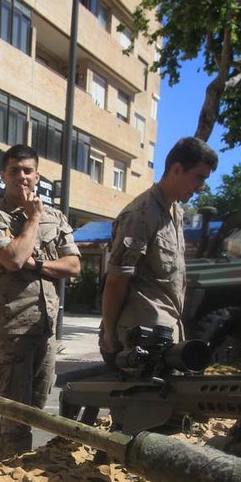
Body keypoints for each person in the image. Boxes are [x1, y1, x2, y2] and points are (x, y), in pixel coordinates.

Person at [0, 144, 81, 468]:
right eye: (14, 171)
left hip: (44, 330)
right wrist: (33, 219)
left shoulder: (57, 217)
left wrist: (37, 266)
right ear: (3, 175)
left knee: (30, 413)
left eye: (27, 170)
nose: (21, 177)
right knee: (15, 421)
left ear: (37, 175)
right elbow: (13, 258)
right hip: (11, 330)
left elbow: (74, 266)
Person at [100, 137, 218, 365]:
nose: (201, 187)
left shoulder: (176, 212)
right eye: (198, 177)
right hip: (142, 337)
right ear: (176, 169)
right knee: (138, 401)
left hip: (165, 331)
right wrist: (109, 333)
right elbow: (116, 281)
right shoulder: (141, 214)